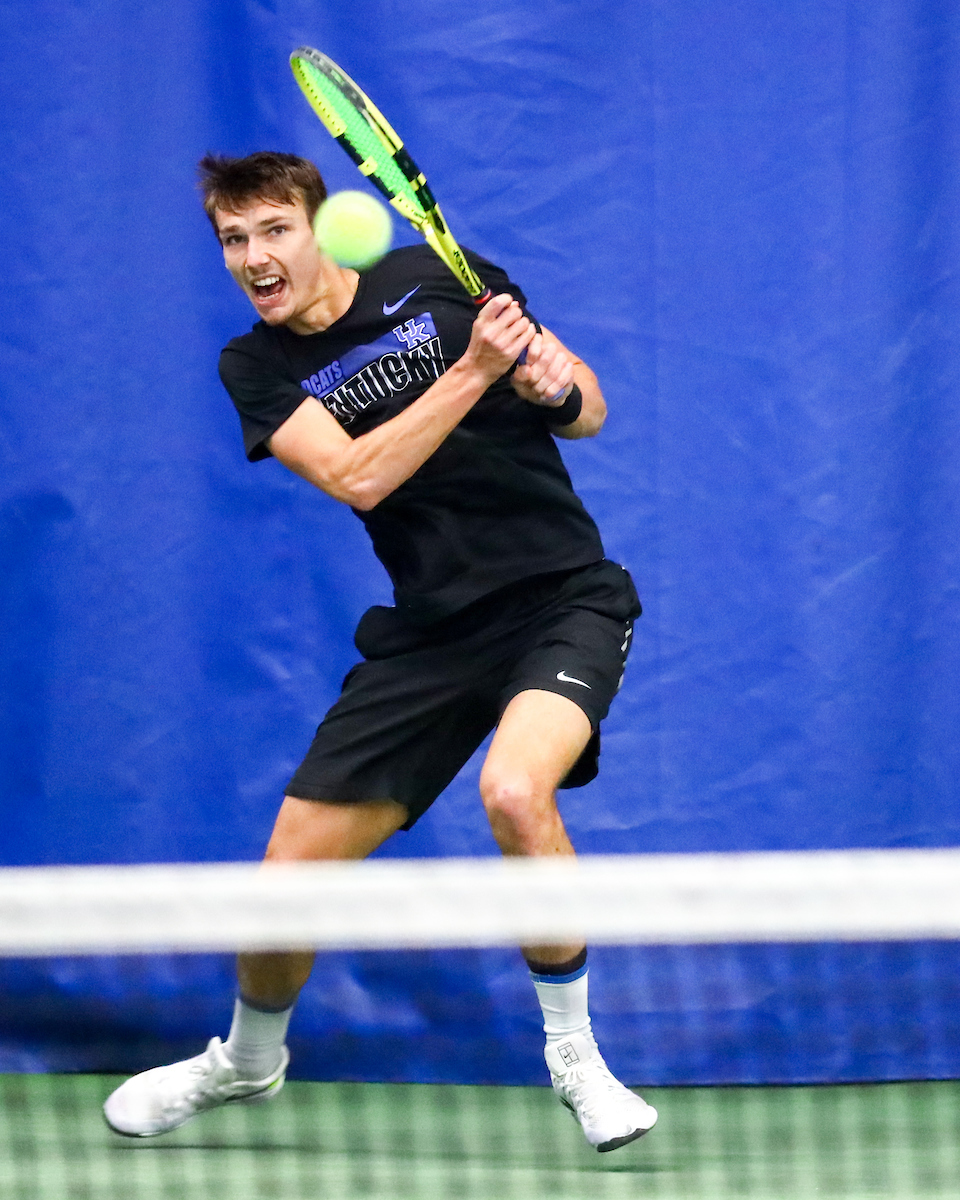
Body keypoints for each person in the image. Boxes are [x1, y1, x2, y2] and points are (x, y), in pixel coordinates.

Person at [103, 152, 657, 1152]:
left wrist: (550, 381)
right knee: (284, 886)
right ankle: (247, 1060)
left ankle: (577, 1058)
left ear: (321, 227)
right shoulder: (257, 367)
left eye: (274, 230)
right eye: (234, 239)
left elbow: (590, 409)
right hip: (430, 636)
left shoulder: (444, 277)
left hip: (561, 601)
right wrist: (477, 371)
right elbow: (360, 476)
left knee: (516, 794)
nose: (253, 257)